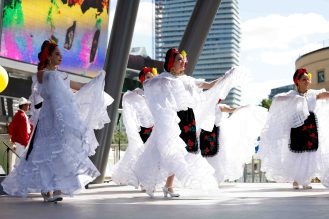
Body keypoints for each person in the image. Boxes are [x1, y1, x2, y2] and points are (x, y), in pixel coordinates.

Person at [1, 40, 113, 202]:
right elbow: (46, 91)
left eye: (60, 54)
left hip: (61, 117)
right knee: (45, 153)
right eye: (57, 54)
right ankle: (47, 190)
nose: (60, 57)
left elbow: (79, 87)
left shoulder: (62, 75)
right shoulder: (43, 75)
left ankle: (57, 188)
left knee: (61, 152)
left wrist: (97, 81)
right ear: (49, 57)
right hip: (49, 118)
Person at [134, 48, 244, 198]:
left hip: (187, 119)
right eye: (179, 59)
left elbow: (209, 85)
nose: (183, 62)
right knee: (167, 151)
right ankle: (153, 181)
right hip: (172, 120)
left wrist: (226, 77)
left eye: (183, 60)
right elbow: (148, 86)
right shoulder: (162, 80)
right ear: (171, 63)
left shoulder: (188, 80)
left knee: (181, 153)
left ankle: (168, 185)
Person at [258, 68, 329, 189]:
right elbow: (276, 99)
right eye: (304, 79)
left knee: (310, 154)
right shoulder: (292, 95)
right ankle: (296, 180)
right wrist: (293, 98)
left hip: (311, 128)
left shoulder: (313, 94)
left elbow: (326, 94)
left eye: (308, 79)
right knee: (296, 153)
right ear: (297, 82)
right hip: (297, 129)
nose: (307, 81)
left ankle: (306, 180)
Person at [111, 67, 158, 188]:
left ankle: (148, 180)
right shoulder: (137, 93)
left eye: (152, 78)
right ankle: (142, 180)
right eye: (147, 77)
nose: (150, 80)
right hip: (142, 130)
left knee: (153, 156)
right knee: (141, 155)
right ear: (142, 80)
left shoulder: (157, 94)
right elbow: (128, 99)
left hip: (155, 129)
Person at [200, 101, 267, 183]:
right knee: (216, 156)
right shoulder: (213, 107)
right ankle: (211, 178)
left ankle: (212, 177)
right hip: (211, 134)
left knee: (216, 156)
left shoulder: (210, 106)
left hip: (211, 134)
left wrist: (244, 107)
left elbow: (232, 109)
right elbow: (232, 109)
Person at [8, 97, 33, 165]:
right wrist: (26, 143)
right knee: (20, 161)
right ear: (23, 105)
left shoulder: (18, 114)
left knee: (18, 160)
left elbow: (11, 127)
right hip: (22, 142)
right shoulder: (22, 116)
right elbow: (24, 131)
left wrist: (13, 139)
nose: (28, 106)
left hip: (19, 141)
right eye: (27, 105)